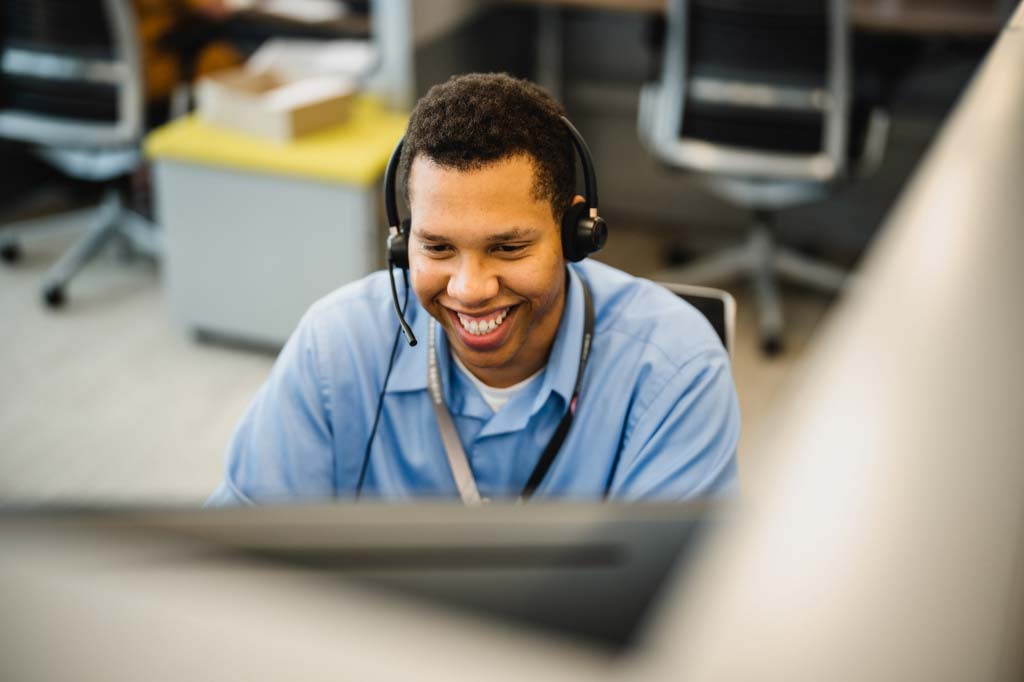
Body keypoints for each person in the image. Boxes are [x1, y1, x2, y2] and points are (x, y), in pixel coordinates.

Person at [208, 73, 739, 505]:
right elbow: (236, 560)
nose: (470, 289)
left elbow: (677, 607)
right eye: (437, 248)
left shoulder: (675, 369)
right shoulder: (334, 349)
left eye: (508, 248)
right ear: (401, 240)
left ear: (575, 233)